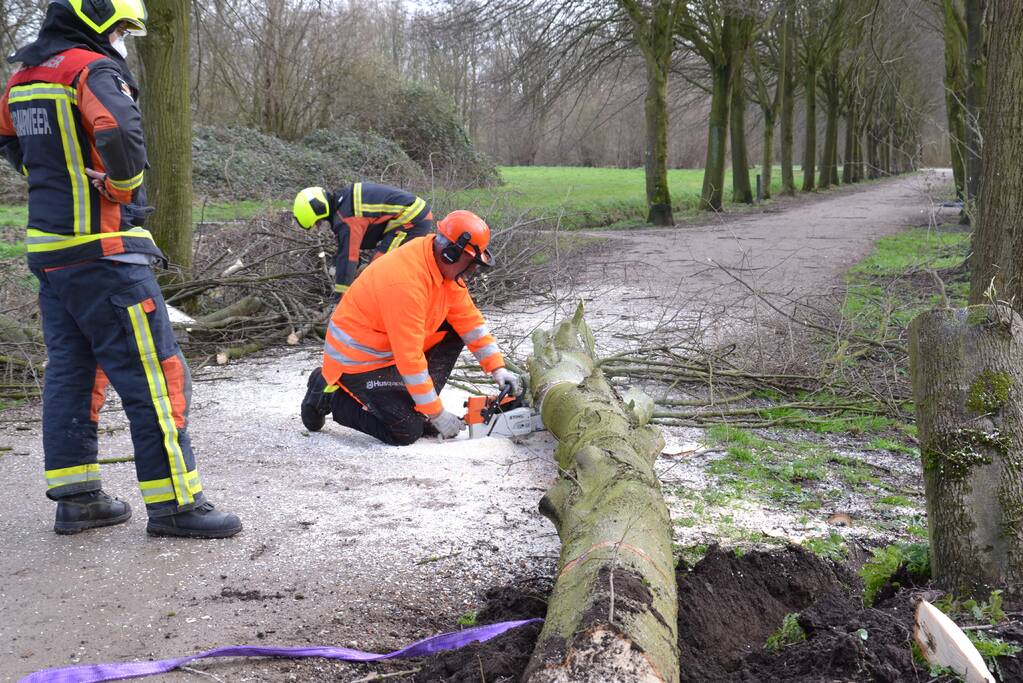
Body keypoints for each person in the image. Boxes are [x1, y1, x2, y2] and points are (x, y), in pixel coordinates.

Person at [0, 0, 241, 538]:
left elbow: (8, 139)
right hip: (106, 253)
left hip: (51, 255)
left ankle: (78, 497)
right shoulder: (93, 68)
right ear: (96, 18)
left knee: (72, 371)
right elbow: (121, 133)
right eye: (121, 27)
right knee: (157, 376)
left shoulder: (25, 78)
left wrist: (55, 174)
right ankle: (177, 503)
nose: (124, 37)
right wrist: (121, 186)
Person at [300, 210, 520, 445]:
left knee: (456, 330)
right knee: (406, 431)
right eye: (470, 263)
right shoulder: (406, 283)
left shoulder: (442, 270)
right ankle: (331, 395)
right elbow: (410, 358)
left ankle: (417, 401)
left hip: (388, 350)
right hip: (357, 361)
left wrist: (497, 368)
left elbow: (469, 321)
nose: (472, 271)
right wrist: (437, 413)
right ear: (450, 253)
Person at [293, 183, 433, 297]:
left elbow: (349, 257)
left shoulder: (346, 218)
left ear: (319, 211)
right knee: (374, 267)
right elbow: (353, 242)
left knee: (380, 267)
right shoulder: (344, 202)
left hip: (412, 218)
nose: (320, 226)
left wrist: (340, 297)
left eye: (318, 222)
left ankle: (383, 301)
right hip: (405, 216)